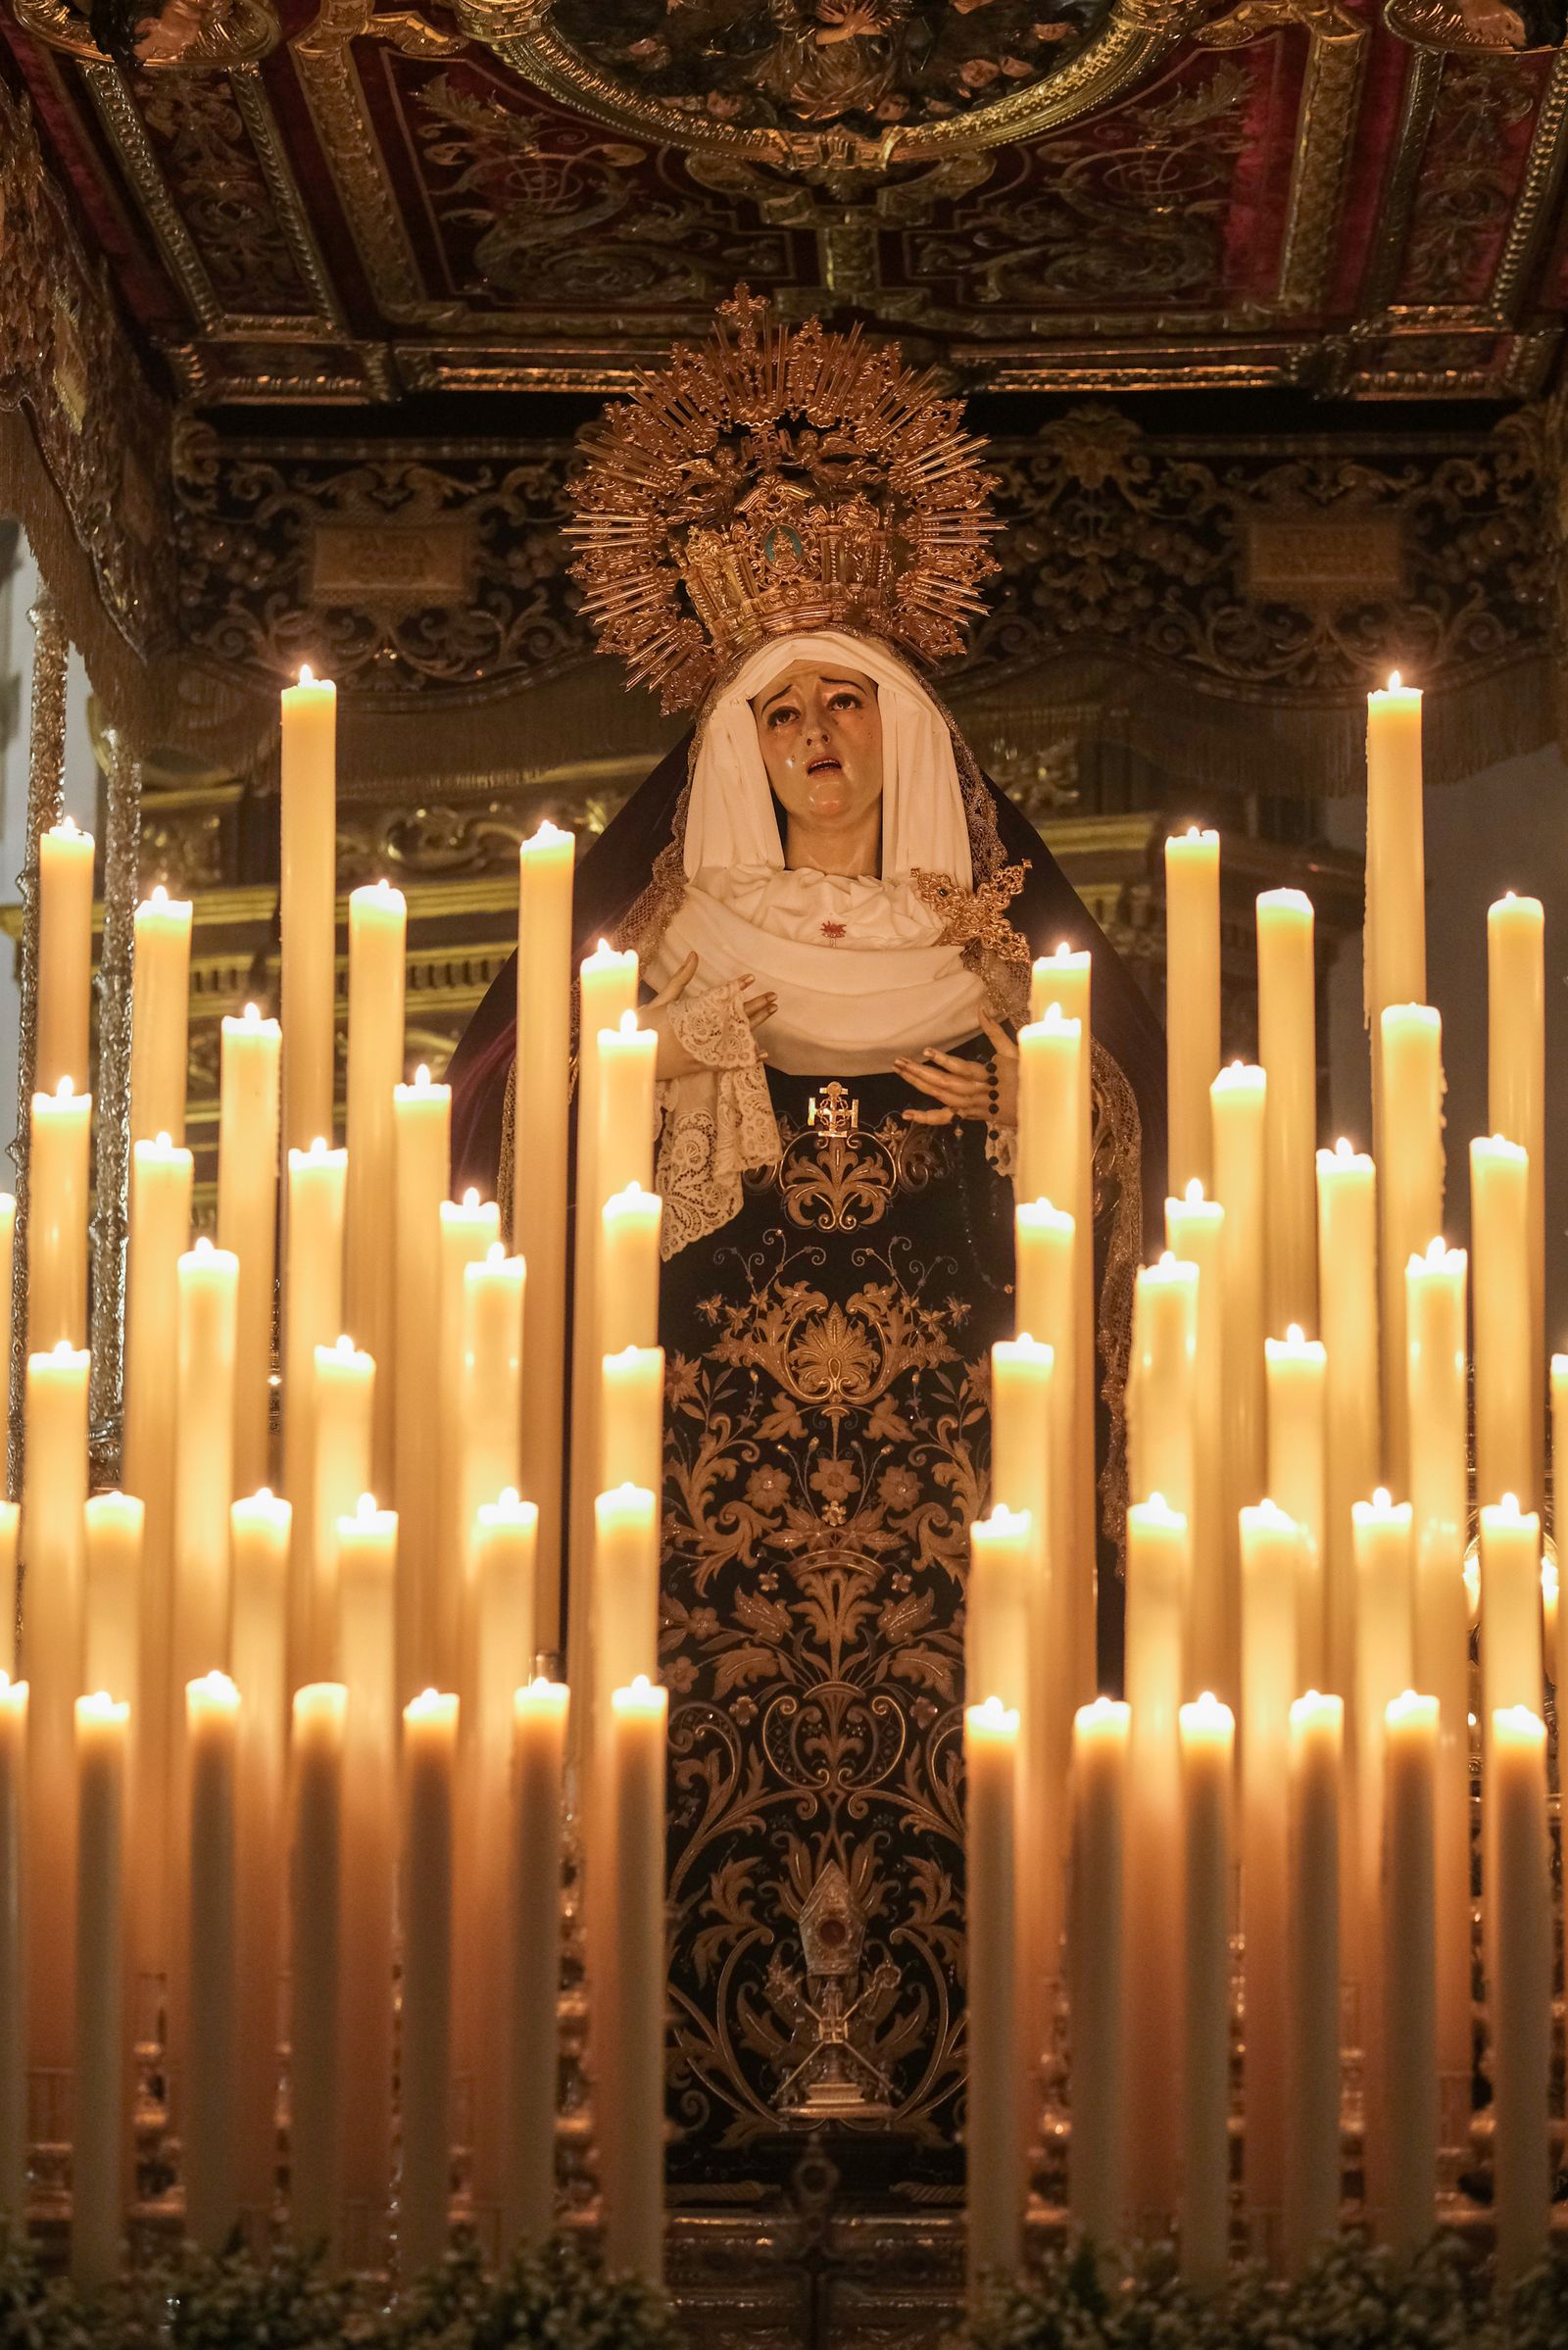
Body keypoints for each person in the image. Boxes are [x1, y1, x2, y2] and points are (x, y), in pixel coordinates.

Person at [446, 291, 1164, 2190]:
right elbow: (511, 1135)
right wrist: (654, 1077)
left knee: (974, 1788)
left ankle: (990, 2115)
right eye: (779, 711)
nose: (817, 734)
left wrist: (1031, 1099)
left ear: (904, 724)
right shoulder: (655, 944)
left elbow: (1128, 1161)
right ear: (730, 742)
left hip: (955, 1498)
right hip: (700, 1500)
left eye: (848, 699)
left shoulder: (1010, 954)